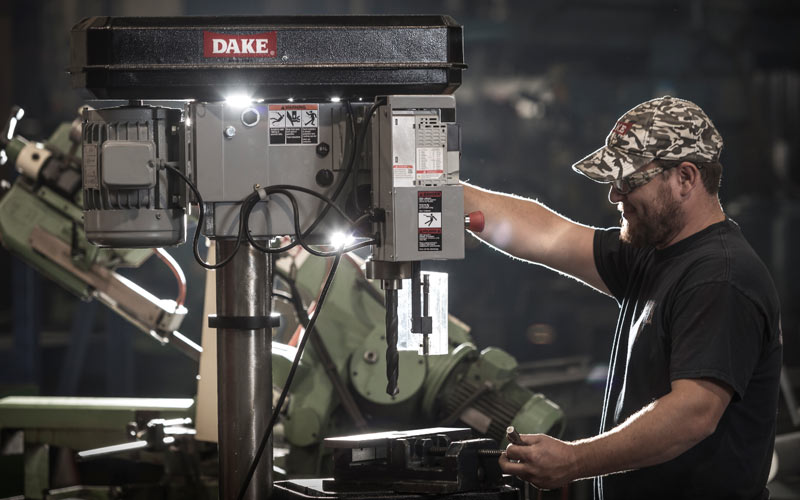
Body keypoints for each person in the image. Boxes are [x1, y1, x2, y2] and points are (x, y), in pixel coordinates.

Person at [464, 96, 783, 499]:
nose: (614, 195)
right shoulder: (655, 255)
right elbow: (547, 235)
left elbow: (693, 413)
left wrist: (574, 459)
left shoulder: (719, 277)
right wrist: (436, 191)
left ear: (685, 178)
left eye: (629, 181)